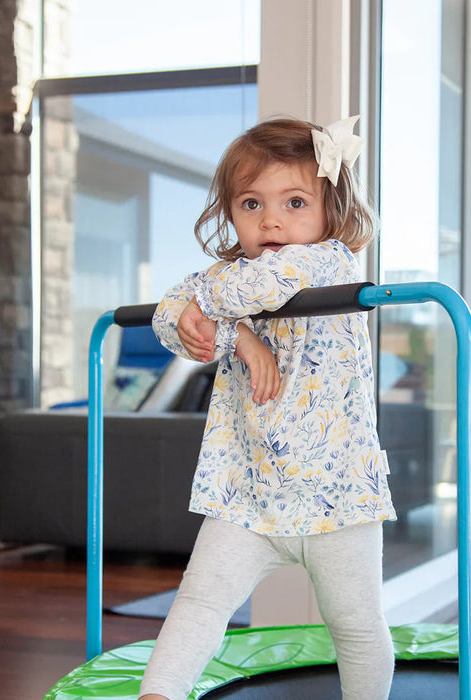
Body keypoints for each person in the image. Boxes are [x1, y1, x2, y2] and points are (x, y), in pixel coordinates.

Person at [140, 115, 397, 700]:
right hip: (246, 492)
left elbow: (248, 289)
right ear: (230, 212)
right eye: (251, 203)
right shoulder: (231, 275)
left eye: (295, 201)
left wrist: (208, 311)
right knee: (200, 602)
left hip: (337, 497)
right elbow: (166, 317)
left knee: (355, 626)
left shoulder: (328, 263)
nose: (272, 219)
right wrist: (237, 338)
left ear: (332, 210)